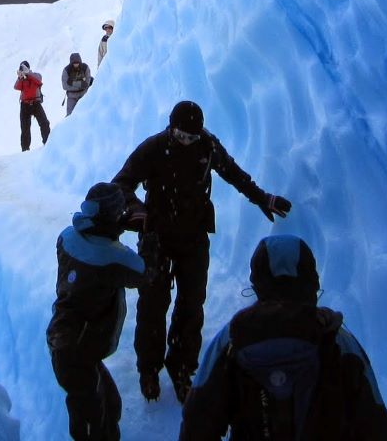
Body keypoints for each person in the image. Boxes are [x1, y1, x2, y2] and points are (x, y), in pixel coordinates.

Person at [112, 101, 292, 404]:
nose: (186, 141)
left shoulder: (207, 146)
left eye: (191, 137)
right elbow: (121, 183)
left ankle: (183, 368)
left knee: (192, 304)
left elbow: (234, 174)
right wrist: (137, 211)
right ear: (171, 128)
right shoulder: (154, 148)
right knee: (153, 304)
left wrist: (264, 198)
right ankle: (149, 370)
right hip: (156, 236)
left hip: (193, 236)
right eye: (181, 136)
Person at [179, 235, 387, 440]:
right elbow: (374, 424)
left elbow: (197, 419)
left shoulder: (232, 339)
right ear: (312, 283)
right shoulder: (338, 340)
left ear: (257, 284)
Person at [47, 182, 145, 441]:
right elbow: (144, 272)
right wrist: (149, 237)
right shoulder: (110, 258)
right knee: (94, 426)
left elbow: (93, 240)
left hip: (68, 341)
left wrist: (116, 224)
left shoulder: (67, 237)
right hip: (77, 350)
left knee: (108, 406)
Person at [15, 60, 51, 152]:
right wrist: (20, 77)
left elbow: (39, 80)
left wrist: (28, 73)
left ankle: (48, 144)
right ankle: (25, 150)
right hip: (25, 105)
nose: (23, 70)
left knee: (44, 123)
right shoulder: (21, 79)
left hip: (35, 103)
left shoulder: (35, 76)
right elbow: (16, 87)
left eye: (24, 68)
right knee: (25, 128)